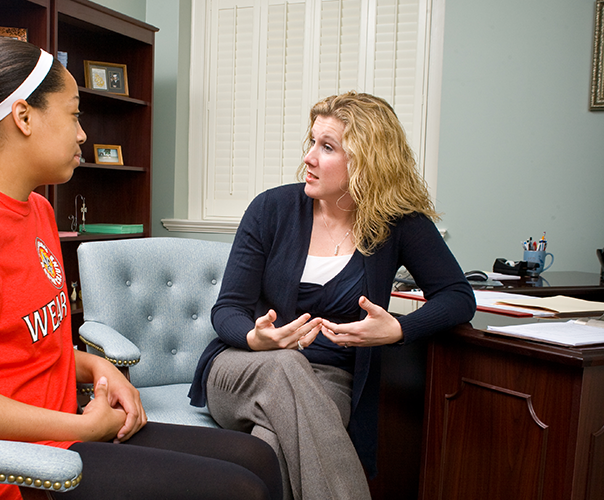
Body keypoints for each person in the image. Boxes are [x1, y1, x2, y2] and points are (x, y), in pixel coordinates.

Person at [0, 37, 282, 500]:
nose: (82, 134)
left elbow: (18, 352)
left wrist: (97, 366)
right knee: (240, 490)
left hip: (59, 436)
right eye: (74, 113)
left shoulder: (37, 210)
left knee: (258, 459)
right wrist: (80, 424)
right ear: (24, 117)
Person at [189, 91, 476, 500]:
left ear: (365, 161)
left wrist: (398, 329)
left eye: (326, 147)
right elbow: (227, 309)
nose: (308, 157)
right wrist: (256, 338)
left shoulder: (400, 223)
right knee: (286, 363)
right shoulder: (270, 209)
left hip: (329, 382)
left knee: (269, 451)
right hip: (243, 369)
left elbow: (457, 296)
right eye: (312, 143)